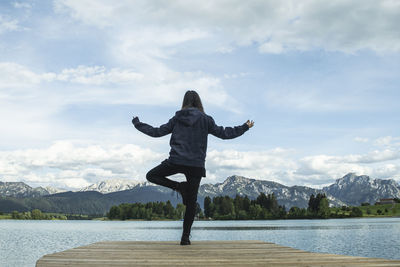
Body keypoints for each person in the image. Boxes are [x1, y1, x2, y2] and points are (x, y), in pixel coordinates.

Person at [132, 90, 254, 245]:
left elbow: (156, 132)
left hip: (176, 160)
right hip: (195, 165)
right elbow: (224, 133)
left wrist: (137, 124)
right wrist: (244, 127)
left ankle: (178, 187)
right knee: (191, 202)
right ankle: (185, 238)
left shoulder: (177, 118)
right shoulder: (206, 119)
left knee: (151, 175)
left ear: (184, 102)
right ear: (199, 102)